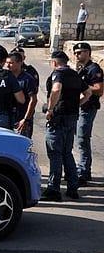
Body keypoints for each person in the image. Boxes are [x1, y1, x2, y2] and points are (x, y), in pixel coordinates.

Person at [41, 51, 91, 202]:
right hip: (71, 117)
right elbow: (88, 92)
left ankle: (53, 189)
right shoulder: (75, 75)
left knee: (55, 152)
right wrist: (77, 104)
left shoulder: (58, 74)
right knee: (67, 152)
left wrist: (50, 109)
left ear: (55, 63)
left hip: (59, 118)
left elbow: (56, 89)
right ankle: (72, 187)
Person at [73, 42, 104, 186]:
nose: (77, 55)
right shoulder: (81, 69)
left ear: (88, 53)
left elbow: (99, 90)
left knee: (83, 139)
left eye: (80, 52)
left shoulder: (93, 69)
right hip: (80, 107)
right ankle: (83, 170)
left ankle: (84, 172)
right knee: (79, 139)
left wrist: (84, 87)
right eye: (75, 52)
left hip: (88, 107)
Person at [5, 52, 37, 138]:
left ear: (20, 63)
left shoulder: (27, 79)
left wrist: (26, 119)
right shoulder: (5, 77)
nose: (8, 66)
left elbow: (33, 100)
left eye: (11, 63)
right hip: (8, 118)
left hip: (22, 117)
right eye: (6, 63)